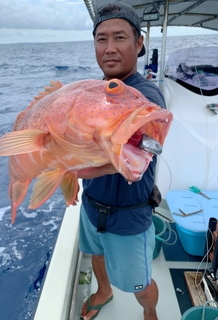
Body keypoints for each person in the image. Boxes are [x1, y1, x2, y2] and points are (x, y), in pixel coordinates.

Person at [78, 2, 166, 320]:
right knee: (95, 253)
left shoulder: (147, 97)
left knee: (140, 285)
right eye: (102, 39)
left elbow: (147, 149)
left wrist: (85, 167)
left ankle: (151, 312)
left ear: (139, 43)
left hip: (128, 218)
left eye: (120, 37)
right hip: (91, 203)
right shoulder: (94, 92)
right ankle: (104, 289)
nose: (110, 48)